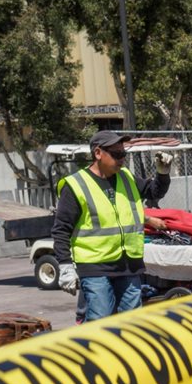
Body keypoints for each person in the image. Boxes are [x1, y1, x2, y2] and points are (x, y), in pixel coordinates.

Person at [52, 130, 171, 321]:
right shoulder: (76, 185)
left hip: (128, 264)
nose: (122, 159)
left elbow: (154, 192)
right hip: (95, 266)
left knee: (132, 323)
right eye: (116, 154)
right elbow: (61, 230)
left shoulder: (126, 177)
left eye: (123, 154)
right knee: (101, 320)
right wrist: (65, 265)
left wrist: (163, 174)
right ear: (98, 153)